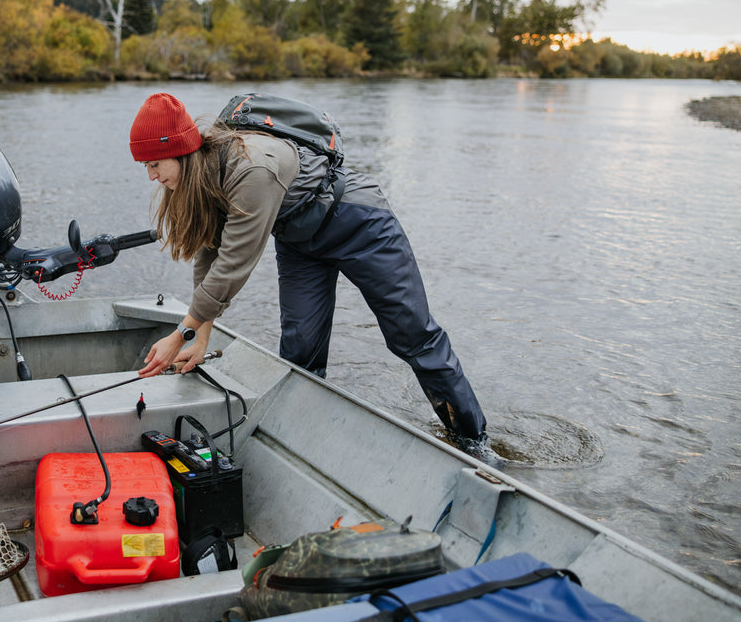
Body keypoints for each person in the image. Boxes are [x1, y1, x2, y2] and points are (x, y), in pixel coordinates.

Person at [129, 92, 493, 460]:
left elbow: (234, 264)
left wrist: (180, 333)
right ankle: (304, 446)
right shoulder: (201, 175)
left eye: (155, 164)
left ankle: (474, 444)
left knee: (412, 337)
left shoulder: (252, 168)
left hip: (359, 221)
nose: (151, 176)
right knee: (300, 351)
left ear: (181, 151)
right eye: (145, 166)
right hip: (299, 240)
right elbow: (211, 251)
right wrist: (200, 336)